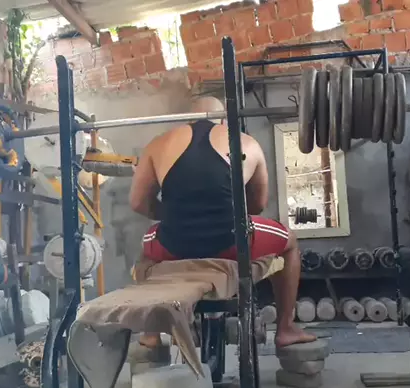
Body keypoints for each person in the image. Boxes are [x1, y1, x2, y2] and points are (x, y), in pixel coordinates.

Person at [129, 96, 316, 348]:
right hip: (231, 244)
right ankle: (286, 328)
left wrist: (178, 213)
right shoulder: (246, 142)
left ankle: (150, 334)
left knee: (146, 252)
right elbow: (258, 204)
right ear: (224, 120)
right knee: (290, 242)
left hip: (173, 246)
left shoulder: (159, 144)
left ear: (188, 119)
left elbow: (138, 203)